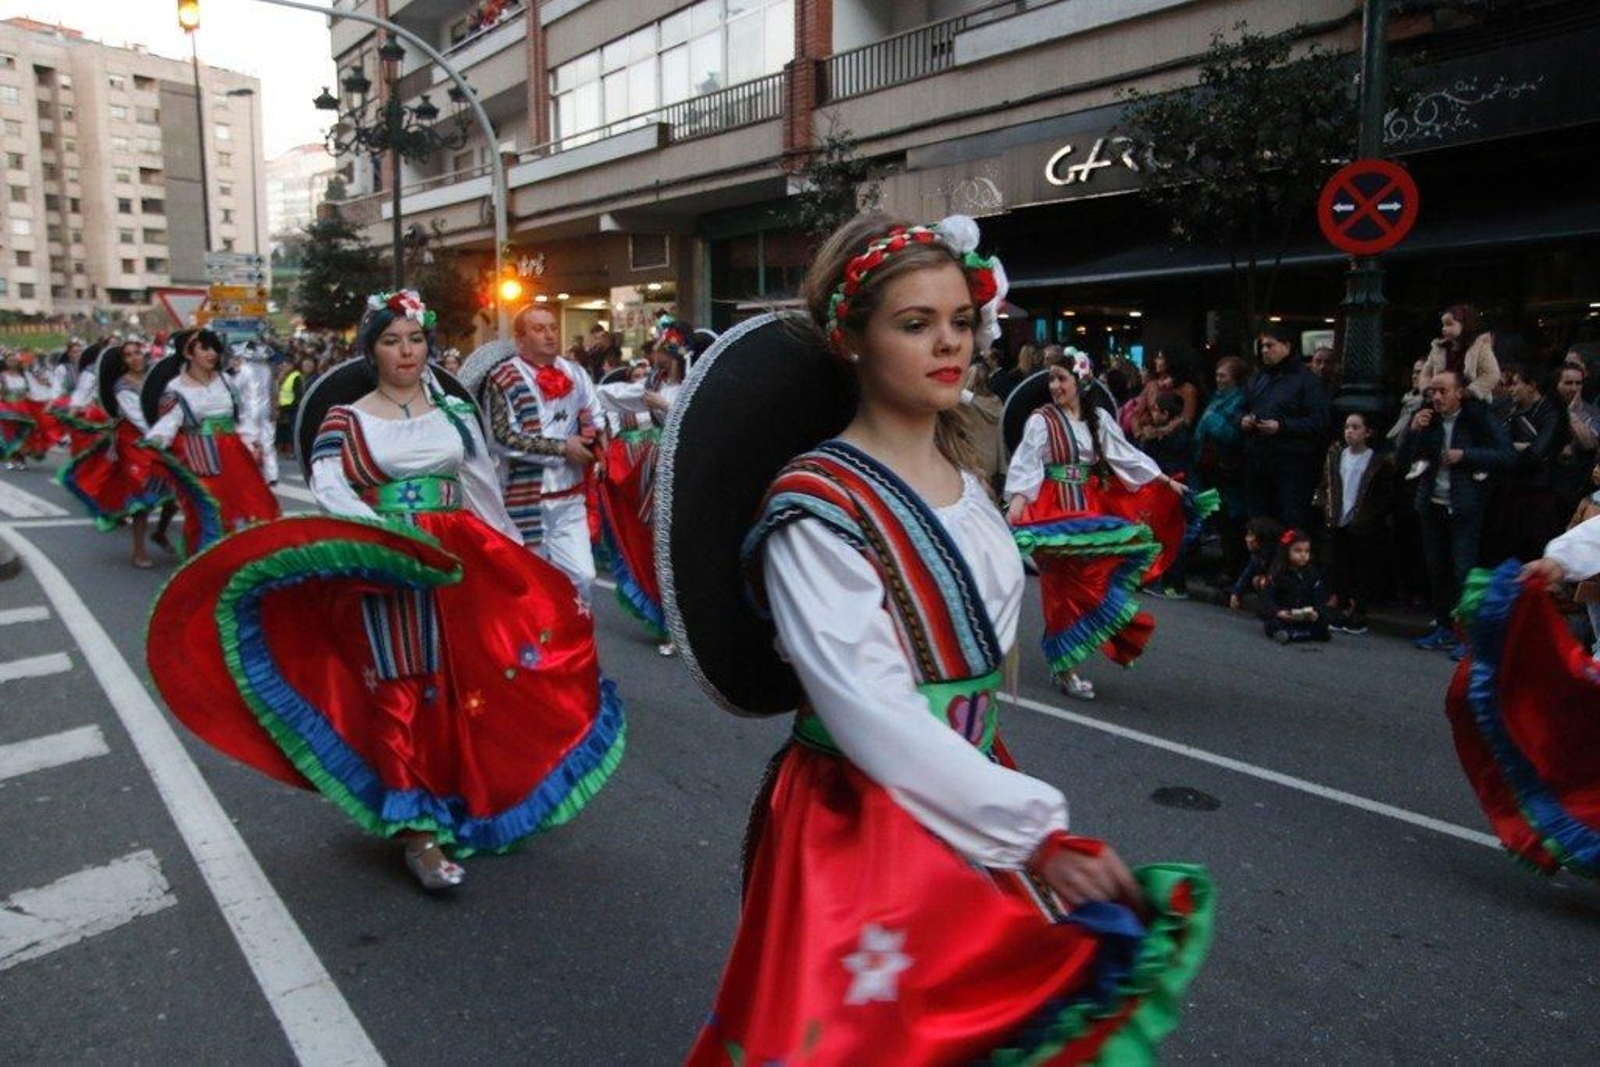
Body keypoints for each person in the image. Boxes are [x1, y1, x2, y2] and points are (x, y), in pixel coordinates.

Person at [667, 213, 1210, 1063]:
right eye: (916, 323)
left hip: (966, 787)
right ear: (851, 340)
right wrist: (1033, 831)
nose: (949, 342)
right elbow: (873, 708)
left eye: (960, 320)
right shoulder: (816, 508)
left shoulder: (965, 477)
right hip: (865, 816)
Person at [145, 290, 625, 892]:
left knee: (470, 679)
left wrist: (518, 560)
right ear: (372, 350)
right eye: (393, 341)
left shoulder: (455, 411)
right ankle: (416, 826)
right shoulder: (346, 420)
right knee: (401, 682)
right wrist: (383, 543)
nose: (407, 351)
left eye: (416, 339)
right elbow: (331, 488)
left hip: (461, 558)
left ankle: (462, 794)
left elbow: (481, 490)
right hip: (390, 561)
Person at [1006, 354, 1202, 700]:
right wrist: (1017, 504)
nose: (1054, 386)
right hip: (1053, 510)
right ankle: (1065, 666)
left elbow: (1125, 456)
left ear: (1080, 382)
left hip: (1088, 507)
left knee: (1094, 576)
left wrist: (1165, 481)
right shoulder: (1041, 420)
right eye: (1051, 379)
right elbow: (1027, 464)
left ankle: (1077, 649)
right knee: (1060, 588)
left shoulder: (1097, 419)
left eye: (1062, 379)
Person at [481, 303, 605, 605]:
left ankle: (573, 632)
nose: (550, 335)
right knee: (530, 582)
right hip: (523, 498)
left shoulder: (575, 372)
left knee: (583, 576)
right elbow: (501, 438)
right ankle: (542, 634)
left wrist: (597, 435)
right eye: (539, 329)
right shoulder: (503, 378)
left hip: (570, 497)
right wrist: (562, 448)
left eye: (553, 328)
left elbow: (595, 413)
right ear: (520, 339)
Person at [1397, 369, 1517, 657]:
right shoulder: (1427, 419)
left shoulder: (1477, 418)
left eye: (1443, 391)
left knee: (1464, 570)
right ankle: (1443, 627)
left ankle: (1468, 636)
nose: (1436, 397)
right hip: (1432, 503)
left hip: (1465, 505)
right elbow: (1403, 460)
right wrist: (1413, 430)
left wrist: (1465, 455)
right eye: (1433, 391)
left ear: (1459, 393)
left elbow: (1507, 455)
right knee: (1436, 569)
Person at [594, 317, 690, 654]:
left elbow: (701, 420)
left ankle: (687, 629)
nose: (654, 355)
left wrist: (667, 408)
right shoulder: (654, 383)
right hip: (656, 477)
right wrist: (579, 388)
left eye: (660, 349)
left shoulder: (691, 384)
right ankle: (672, 626)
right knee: (657, 548)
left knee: (679, 552)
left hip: (685, 475)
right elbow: (614, 397)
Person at [143, 328, 282, 556]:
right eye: (205, 348)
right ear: (188, 353)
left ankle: (246, 558)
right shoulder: (176, 387)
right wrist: (157, 439)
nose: (212, 354)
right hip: (201, 456)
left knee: (253, 504)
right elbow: (170, 421)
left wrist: (251, 441)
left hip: (235, 453)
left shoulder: (226, 380)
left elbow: (241, 414)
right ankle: (211, 560)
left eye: (215, 348)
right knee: (212, 509)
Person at [55, 337, 176, 567]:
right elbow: (138, 418)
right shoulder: (122, 386)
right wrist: (163, 436)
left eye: (137, 353)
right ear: (123, 362)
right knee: (142, 496)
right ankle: (138, 551)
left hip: (159, 437)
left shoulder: (153, 380)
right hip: (135, 443)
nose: (134, 358)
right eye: (128, 355)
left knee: (176, 489)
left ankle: (160, 532)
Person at [1238, 326, 1329, 529]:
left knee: (1291, 521)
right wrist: (1243, 420)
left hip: (1291, 464)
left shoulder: (1307, 381)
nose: (1264, 350)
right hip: (1258, 462)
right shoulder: (1258, 378)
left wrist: (1282, 426)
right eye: (1262, 346)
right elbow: (1240, 407)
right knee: (1259, 521)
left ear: (1286, 346)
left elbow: (1318, 422)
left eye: (1270, 345)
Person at [1316, 412, 1394, 634]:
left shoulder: (1376, 460)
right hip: (1338, 519)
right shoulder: (1336, 455)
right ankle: (1340, 605)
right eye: (1347, 427)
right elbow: (1327, 484)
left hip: (1362, 522)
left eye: (1355, 427)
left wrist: (1373, 515)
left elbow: (1382, 494)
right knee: (1340, 564)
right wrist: (1325, 506)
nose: (1349, 431)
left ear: (1368, 432)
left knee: (1361, 567)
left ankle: (1358, 611)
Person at [1194, 356, 1251, 584]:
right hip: (1209, 467)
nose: (1218, 379)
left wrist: (1211, 421)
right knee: (1218, 516)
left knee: (1231, 519)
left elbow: (1233, 435)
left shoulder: (1240, 401)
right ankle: (1227, 565)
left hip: (1227, 468)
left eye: (1223, 376)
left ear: (1235, 378)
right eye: (1217, 375)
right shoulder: (1217, 398)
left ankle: (1233, 569)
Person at [1138, 390, 1195, 598]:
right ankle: (1153, 577)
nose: (1153, 414)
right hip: (1160, 489)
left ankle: (1173, 585)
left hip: (1174, 488)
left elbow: (1168, 460)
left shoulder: (1179, 435)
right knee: (1156, 534)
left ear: (1166, 413)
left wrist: (1154, 438)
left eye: (1157, 411)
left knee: (1171, 536)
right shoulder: (1157, 434)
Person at [1261, 528, 1331, 643]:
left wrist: (1316, 613)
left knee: (1323, 626)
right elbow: (1268, 598)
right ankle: (1296, 634)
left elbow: (1320, 598)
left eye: (1306, 551)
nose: (1303, 555)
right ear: (1287, 552)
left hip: (1305, 617)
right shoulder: (1278, 573)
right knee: (1273, 624)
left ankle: (1294, 635)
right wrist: (1278, 612)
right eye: (1298, 551)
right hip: (1286, 614)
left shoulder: (1312, 574)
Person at [1419, 304, 1499, 402]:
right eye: (1443, 325)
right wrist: (1428, 389)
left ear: (1464, 325)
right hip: (1440, 398)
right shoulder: (1439, 348)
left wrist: (1469, 392)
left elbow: (1492, 374)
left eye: (1449, 324)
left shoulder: (1480, 347)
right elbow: (1426, 373)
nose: (1444, 329)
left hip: (1471, 399)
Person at [1553, 361, 1600, 518]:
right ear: (1557, 384)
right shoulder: (1546, 408)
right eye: (1568, 383)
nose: (1574, 388)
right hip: (1544, 485)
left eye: (1578, 383)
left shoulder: (1590, 411)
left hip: (1574, 488)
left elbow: (1590, 444)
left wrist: (1572, 414)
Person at [1228, 515, 1283, 615]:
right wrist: (1236, 593)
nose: (1246, 539)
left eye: (1250, 535)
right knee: (1257, 579)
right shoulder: (1258, 555)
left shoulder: (1278, 556)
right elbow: (1246, 574)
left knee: (1261, 581)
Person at [0, 349, 36, 469]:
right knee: (9, 434)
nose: (12, 363)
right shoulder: (2, 376)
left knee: (23, 434)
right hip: (7, 408)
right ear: (5, 362)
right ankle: (9, 458)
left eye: (14, 360)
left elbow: (28, 392)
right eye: (10, 360)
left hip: (22, 408)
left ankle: (20, 458)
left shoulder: (22, 376)